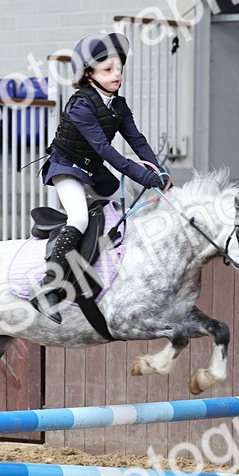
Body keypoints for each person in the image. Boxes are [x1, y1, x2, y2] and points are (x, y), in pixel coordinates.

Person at [34, 31, 168, 317]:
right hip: (67, 167)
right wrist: (143, 176)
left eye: (119, 68)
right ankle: (48, 287)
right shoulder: (80, 105)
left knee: (122, 212)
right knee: (80, 218)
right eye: (108, 69)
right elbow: (106, 150)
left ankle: (102, 274)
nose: (116, 74)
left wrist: (159, 170)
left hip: (92, 170)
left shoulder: (118, 105)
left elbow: (137, 141)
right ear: (88, 74)